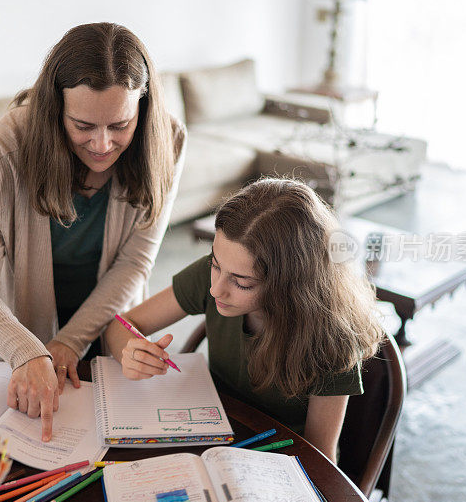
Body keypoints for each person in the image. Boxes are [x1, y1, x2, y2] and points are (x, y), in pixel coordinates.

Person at [0, 22, 186, 442]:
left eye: (120, 125)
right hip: (30, 325)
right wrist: (30, 351)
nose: (101, 145)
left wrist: (71, 342)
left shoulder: (167, 141)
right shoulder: (4, 151)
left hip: (115, 319)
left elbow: (136, 262)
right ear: (54, 108)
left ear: (143, 108)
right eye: (82, 126)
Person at [104, 177, 384, 462]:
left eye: (243, 283)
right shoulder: (214, 276)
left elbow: (319, 459)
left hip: (284, 462)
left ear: (292, 285)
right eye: (215, 264)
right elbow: (120, 325)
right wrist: (131, 351)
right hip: (210, 439)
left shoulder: (332, 339)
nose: (216, 289)